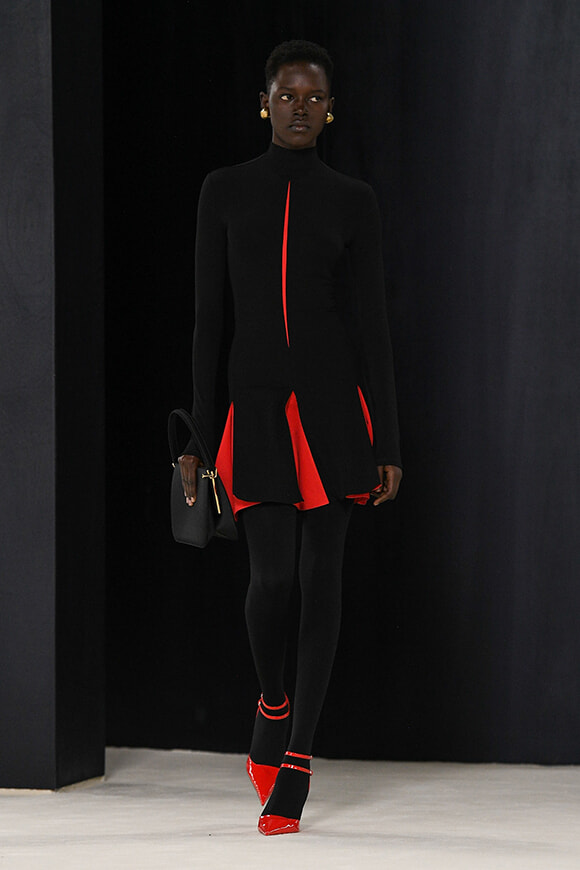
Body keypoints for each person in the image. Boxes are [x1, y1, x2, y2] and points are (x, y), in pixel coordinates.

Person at [178, 39, 402, 836]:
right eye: (287, 95)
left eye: (314, 97)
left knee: (321, 579)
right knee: (271, 581)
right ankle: (272, 703)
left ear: (330, 110)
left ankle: (298, 757)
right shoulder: (225, 190)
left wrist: (389, 443)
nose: (299, 107)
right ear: (264, 103)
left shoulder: (352, 200)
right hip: (257, 412)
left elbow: (373, 326)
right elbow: (209, 322)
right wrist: (197, 436)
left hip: (335, 414)